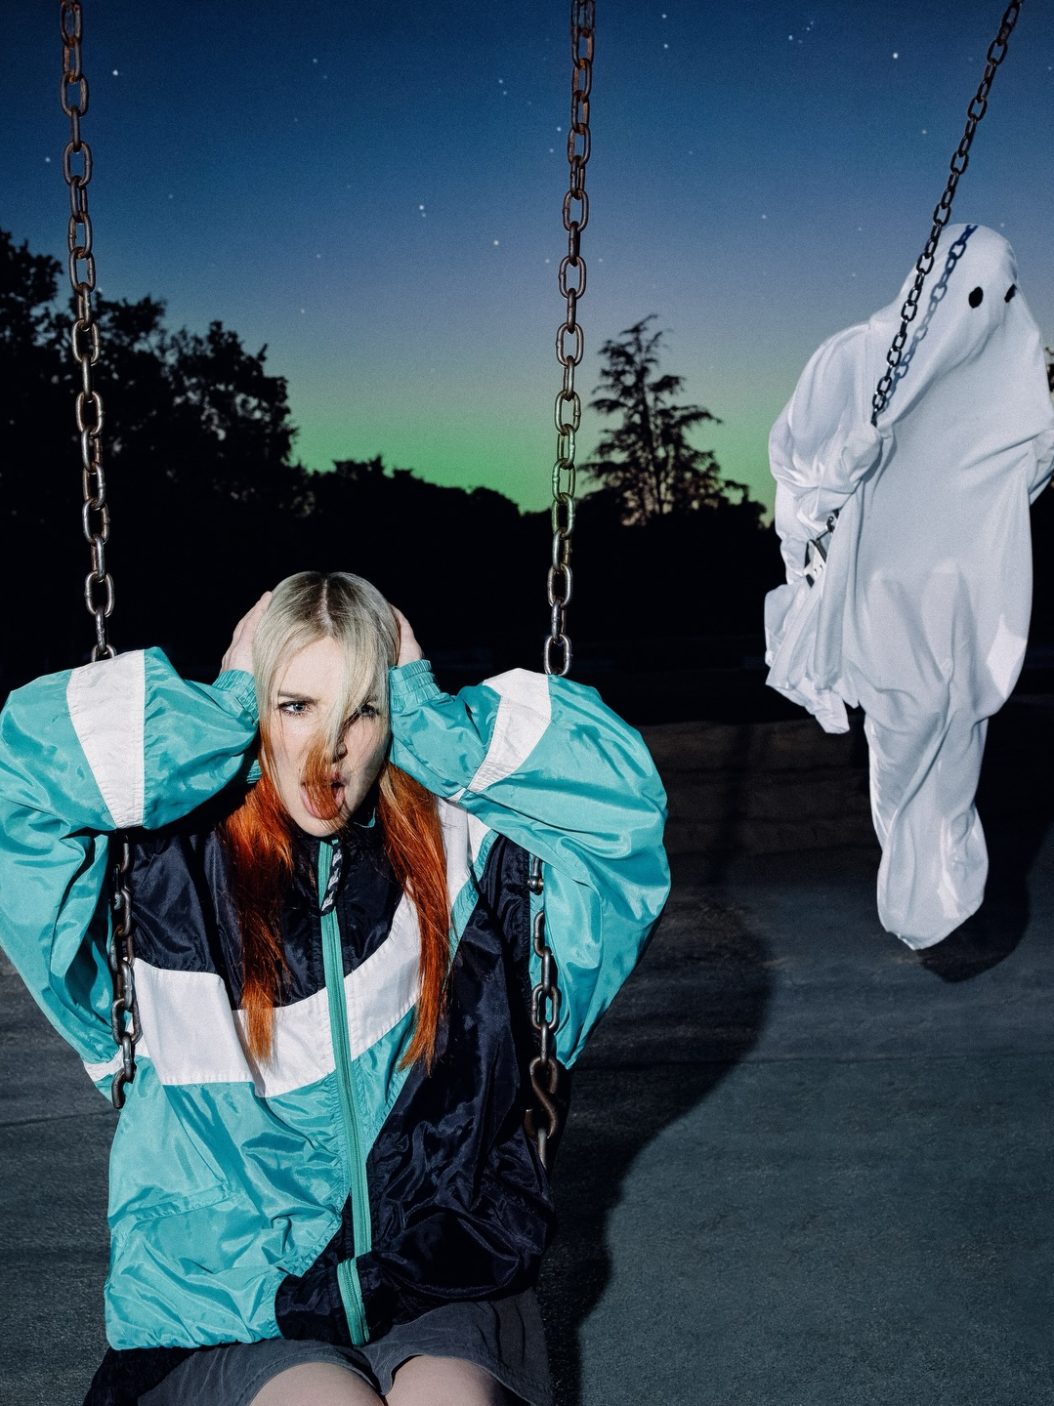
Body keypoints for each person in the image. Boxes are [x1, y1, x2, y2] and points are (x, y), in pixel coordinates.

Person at [0, 571, 669, 1406]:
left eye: (362, 710)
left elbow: (623, 813)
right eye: (295, 706)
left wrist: (434, 720)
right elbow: (19, 777)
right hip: (230, 1304)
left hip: (438, 1271)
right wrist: (213, 716)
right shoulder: (165, 870)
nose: (329, 751)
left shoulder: (462, 852)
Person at [764, 223, 1054, 947]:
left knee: (959, 728)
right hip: (877, 588)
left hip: (961, 589)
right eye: (968, 295)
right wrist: (842, 466)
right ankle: (911, 884)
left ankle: (946, 875)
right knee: (911, 719)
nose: (980, 313)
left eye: (998, 297)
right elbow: (796, 491)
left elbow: (1014, 481)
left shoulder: (1004, 378)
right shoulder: (855, 360)